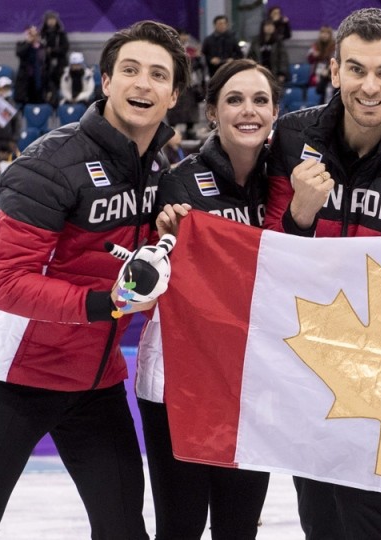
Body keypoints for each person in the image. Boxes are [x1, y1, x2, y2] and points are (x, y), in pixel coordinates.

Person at [0, 20, 190, 540]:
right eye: (128, 70)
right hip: (14, 379)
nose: (141, 84)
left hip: (96, 384)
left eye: (156, 75)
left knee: (125, 530)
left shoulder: (159, 168)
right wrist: (111, 301)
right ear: (105, 82)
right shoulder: (48, 164)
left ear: (173, 95)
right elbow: (7, 284)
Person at [264, 8, 381, 539]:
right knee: (317, 510)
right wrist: (302, 212)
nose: (370, 86)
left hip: (376, 365)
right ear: (334, 71)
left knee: (364, 511)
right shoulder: (290, 136)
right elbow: (273, 257)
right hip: (300, 354)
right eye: (357, 70)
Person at [139, 58, 278, 540]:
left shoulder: (283, 183)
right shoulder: (178, 183)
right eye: (234, 100)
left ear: (275, 113)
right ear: (212, 113)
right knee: (181, 525)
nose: (249, 111)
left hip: (252, 383)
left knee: (239, 526)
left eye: (260, 100)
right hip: (181, 381)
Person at [248, 18, 290, 85]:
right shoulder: (256, 41)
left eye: (271, 26)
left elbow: (283, 58)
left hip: (274, 73)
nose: (269, 28)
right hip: (258, 72)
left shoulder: (278, 41)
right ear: (263, 27)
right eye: (267, 26)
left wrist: (282, 73)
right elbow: (250, 57)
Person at [40, 11, 69, 105]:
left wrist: (52, 50)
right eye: (49, 19)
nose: (51, 22)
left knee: (60, 87)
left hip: (59, 65)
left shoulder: (61, 34)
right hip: (46, 66)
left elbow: (65, 48)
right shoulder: (42, 34)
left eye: (53, 19)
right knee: (47, 87)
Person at [14, 24, 48, 106]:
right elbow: (19, 53)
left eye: (35, 35)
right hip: (25, 81)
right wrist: (29, 43)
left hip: (38, 80)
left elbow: (45, 63)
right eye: (31, 35)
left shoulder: (42, 47)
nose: (34, 37)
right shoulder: (22, 44)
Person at [307, 25, 336, 102]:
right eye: (322, 33)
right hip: (316, 73)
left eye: (327, 33)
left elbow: (336, 60)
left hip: (329, 75)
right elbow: (309, 60)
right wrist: (313, 56)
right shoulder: (315, 46)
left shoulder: (334, 46)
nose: (324, 35)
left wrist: (328, 70)